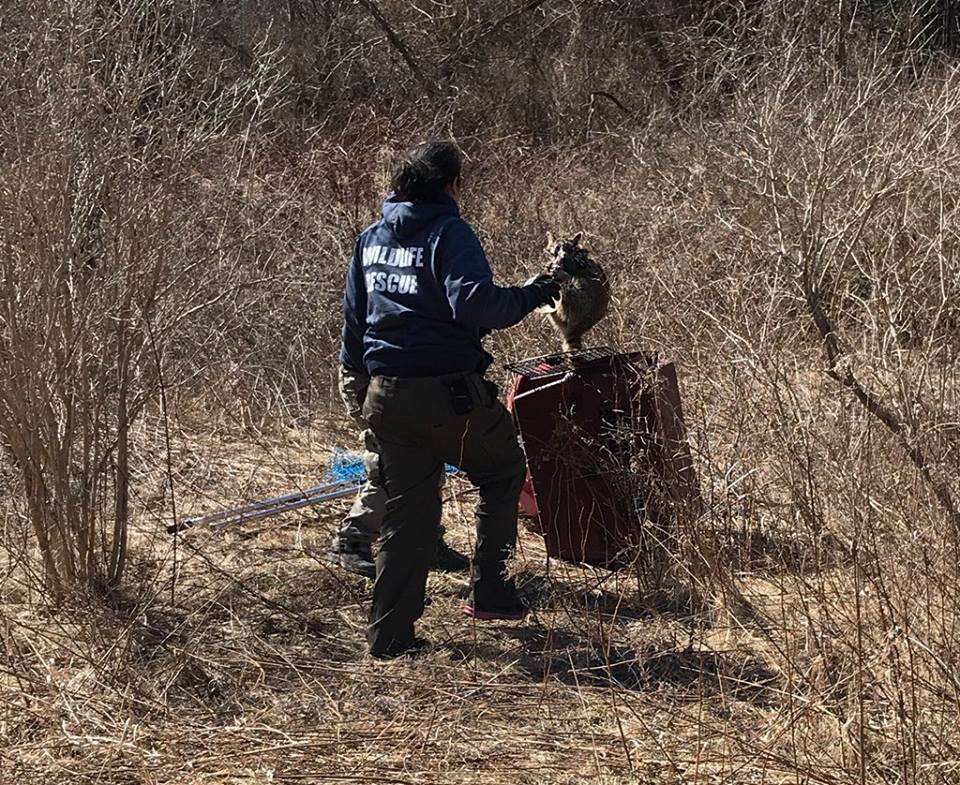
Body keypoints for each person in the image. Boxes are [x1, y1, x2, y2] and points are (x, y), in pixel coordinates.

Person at [339, 140, 563, 658]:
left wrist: (360, 389)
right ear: (449, 185)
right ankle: (492, 592)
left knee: (406, 513)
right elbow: (476, 304)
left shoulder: (370, 239)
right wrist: (534, 293)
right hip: (447, 392)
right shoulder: (448, 232)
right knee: (503, 471)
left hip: (385, 394)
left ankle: (390, 637)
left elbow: (354, 321)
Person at [326, 364, 468, 579]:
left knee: (429, 461)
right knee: (390, 466)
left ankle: (425, 542)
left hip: (411, 378)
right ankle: (352, 541)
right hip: (373, 378)